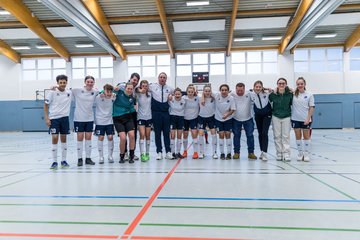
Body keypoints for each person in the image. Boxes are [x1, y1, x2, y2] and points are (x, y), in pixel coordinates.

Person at [44, 74, 72, 170]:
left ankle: (63, 160)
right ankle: (54, 161)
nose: (62, 84)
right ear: (57, 83)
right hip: (54, 119)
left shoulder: (69, 92)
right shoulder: (52, 93)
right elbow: (46, 105)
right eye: (60, 82)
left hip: (65, 119)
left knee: (64, 139)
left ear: (66, 83)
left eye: (64, 82)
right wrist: (47, 118)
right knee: (55, 139)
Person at [72, 75, 98, 166]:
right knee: (80, 139)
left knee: (88, 139)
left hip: (89, 119)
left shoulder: (95, 91)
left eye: (91, 82)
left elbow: (105, 93)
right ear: (85, 82)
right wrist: (54, 88)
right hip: (79, 119)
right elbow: (65, 90)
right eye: (88, 82)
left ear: (94, 83)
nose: (90, 83)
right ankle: (79, 159)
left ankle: (88, 158)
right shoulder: (77, 90)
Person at [149, 72, 173, 160]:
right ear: (158, 78)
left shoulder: (170, 88)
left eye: (164, 77)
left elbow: (178, 93)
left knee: (167, 133)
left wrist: (171, 95)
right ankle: (159, 152)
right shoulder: (152, 86)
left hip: (166, 113)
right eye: (161, 77)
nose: (162, 79)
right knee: (157, 134)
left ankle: (168, 152)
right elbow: (140, 87)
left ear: (166, 79)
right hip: (156, 113)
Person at [117, 73, 140, 160]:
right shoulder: (122, 85)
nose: (135, 82)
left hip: (132, 114)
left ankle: (132, 153)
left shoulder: (136, 90)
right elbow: (115, 89)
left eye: (137, 81)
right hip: (122, 114)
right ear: (130, 79)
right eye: (134, 79)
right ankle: (124, 152)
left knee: (133, 135)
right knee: (123, 134)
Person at [269, 78, 293, 161]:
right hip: (276, 116)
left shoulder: (290, 94)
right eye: (280, 83)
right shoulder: (273, 94)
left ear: (286, 84)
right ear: (277, 84)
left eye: (283, 83)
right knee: (277, 136)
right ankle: (279, 153)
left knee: (286, 136)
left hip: (286, 116)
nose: (281, 85)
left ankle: (286, 154)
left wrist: (291, 90)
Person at [291, 77, 315, 162]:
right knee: (298, 137)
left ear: (305, 84)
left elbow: (312, 107)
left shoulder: (309, 94)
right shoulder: (293, 94)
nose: (300, 85)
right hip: (295, 119)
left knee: (306, 137)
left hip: (306, 119)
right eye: (298, 84)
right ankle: (300, 154)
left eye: (301, 84)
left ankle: (306, 154)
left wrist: (308, 118)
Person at [231, 83, 257, 160]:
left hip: (248, 119)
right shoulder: (232, 94)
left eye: (241, 90)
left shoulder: (249, 93)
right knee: (236, 136)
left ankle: (251, 153)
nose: (239, 92)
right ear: (235, 89)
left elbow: (260, 91)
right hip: (236, 119)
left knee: (250, 136)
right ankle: (236, 153)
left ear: (244, 89)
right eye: (238, 90)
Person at [113, 82, 137, 163]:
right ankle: (122, 156)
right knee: (123, 138)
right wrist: (113, 89)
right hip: (117, 118)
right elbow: (106, 90)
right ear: (125, 88)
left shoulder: (132, 98)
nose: (129, 90)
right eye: (128, 88)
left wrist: (136, 109)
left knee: (132, 136)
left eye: (131, 89)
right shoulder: (119, 92)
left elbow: (131, 109)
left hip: (128, 117)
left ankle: (131, 156)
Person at [250, 80, 272, 161]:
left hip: (267, 115)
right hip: (258, 116)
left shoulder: (267, 93)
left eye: (260, 87)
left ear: (262, 87)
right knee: (260, 133)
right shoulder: (251, 94)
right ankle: (262, 151)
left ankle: (265, 153)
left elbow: (275, 90)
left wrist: (268, 89)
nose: (258, 88)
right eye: (256, 87)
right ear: (254, 87)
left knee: (264, 133)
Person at [94, 84, 115, 164]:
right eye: (107, 91)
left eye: (110, 91)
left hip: (109, 121)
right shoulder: (98, 97)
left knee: (110, 137)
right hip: (100, 121)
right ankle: (101, 156)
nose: (109, 93)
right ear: (104, 90)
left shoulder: (113, 97)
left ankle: (110, 156)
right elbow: (94, 91)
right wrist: (101, 92)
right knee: (101, 137)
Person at [214, 84, 236, 160]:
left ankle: (229, 153)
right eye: (222, 90)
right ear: (220, 90)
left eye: (225, 90)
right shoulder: (216, 96)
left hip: (228, 119)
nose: (224, 91)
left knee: (227, 134)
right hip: (218, 119)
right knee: (221, 135)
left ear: (228, 91)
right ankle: (222, 153)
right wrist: (203, 98)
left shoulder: (231, 98)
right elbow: (206, 92)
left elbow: (233, 109)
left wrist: (227, 114)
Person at [198, 84, 217, 159]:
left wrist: (211, 93)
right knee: (201, 134)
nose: (207, 92)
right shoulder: (199, 98)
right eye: (205, 91)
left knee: (213, 134)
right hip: (201, 117)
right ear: (203, 91)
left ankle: (214, 152)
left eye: (209, 91)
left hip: (211, 117)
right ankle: (201, 153)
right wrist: (202, 96)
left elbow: (217, 94)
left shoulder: (214, 98)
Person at [135, 80, 152, 162]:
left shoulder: (150, 94)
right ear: (140, 86)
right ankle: (142, 154)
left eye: (146, 86)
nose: (145, 87)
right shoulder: (138, 94)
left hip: (149, 117)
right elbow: (134, 89)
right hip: (141, 117)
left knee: (148, 135)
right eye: (143, 86)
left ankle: (147, 153)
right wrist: (139, 90)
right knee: (142, 134)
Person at [183, 84, 200, 159]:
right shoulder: (183, 98)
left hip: (194, 119)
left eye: (192, 92)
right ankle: (185, 151)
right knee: (185, 135)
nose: (190, 93)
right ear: (186, 92)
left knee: (194, 135)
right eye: (189, 92)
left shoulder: (197, 98)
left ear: (194, 92)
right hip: (185, 119)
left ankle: (195, 152)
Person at [169, 88, 186, 159]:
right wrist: (169, 95)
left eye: (179, 94)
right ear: (174, 94)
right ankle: (172, 153)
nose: (177, 95)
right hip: (172, 118)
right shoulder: (170, 99)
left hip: (181, 118)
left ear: (181, 94)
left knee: (179, 136)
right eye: (176, 94)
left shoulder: (184, 100)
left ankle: (178, 152)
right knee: (172, 136)